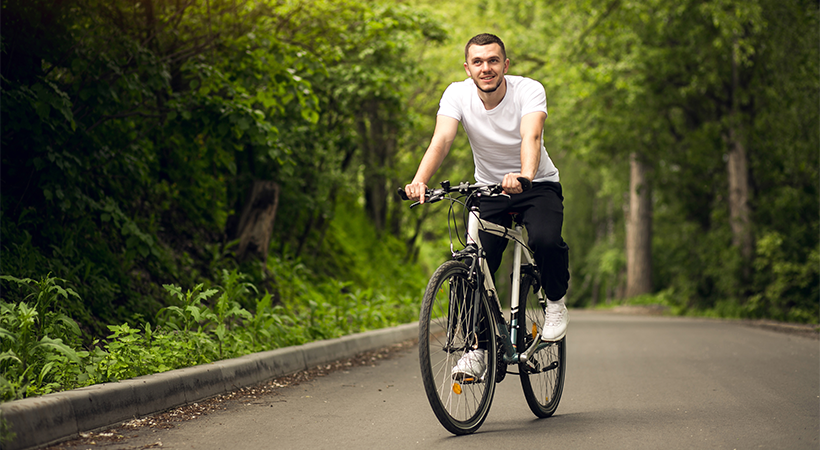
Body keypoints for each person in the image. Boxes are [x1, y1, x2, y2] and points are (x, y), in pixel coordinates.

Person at [403, 33, 570, 380]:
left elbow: (532, 136)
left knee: (545, 240)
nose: (486, 68)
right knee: (471, 267)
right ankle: (477, 348)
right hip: (489, 189)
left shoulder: (528, 90)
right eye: (478, 62)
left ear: (505, 65)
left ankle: (554, 302)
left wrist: (524, 175)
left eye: (493, 61)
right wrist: (419, 180)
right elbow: (442, 139)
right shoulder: (457, 94)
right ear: (468, 68)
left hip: (536, 185)